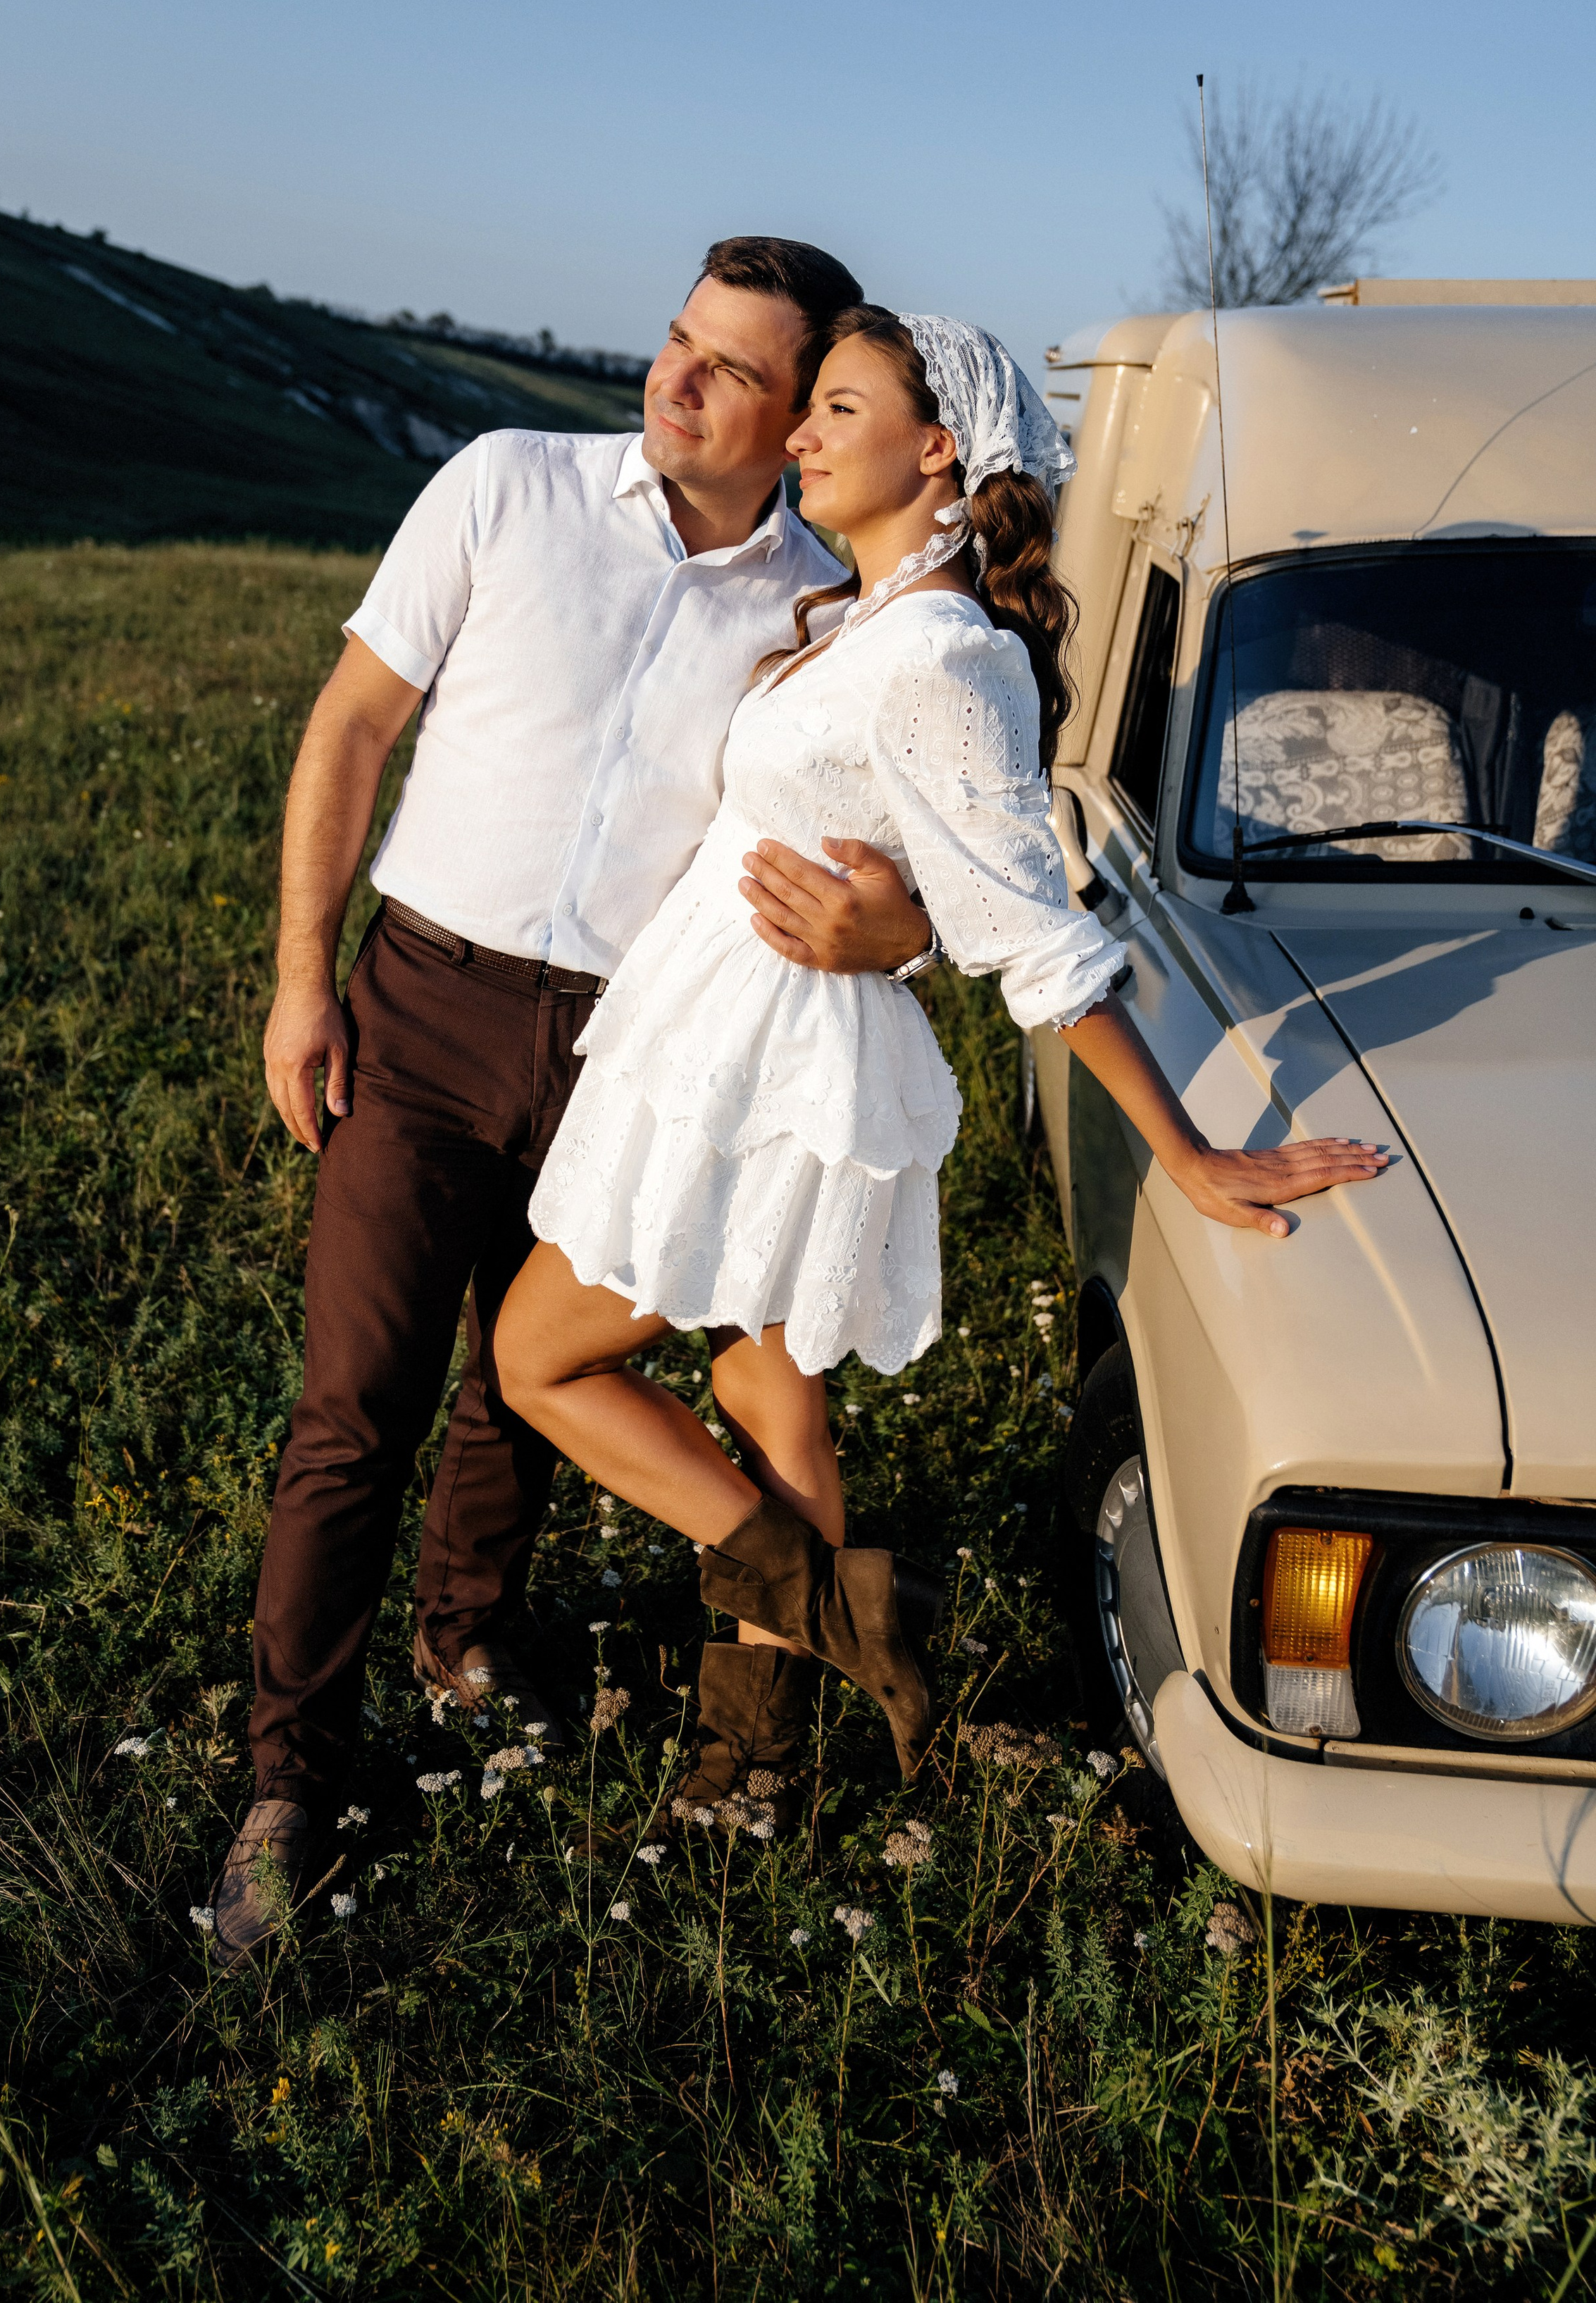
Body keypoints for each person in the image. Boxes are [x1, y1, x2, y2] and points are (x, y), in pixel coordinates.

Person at [493, 307, 1390, 1827]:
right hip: (727, 1035)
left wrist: (1187, 1154)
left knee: (540, 1358)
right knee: (761, 1387)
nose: (799, 435)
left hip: (770, 1065)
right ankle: (752, 1758)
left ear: (938, 453)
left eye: (835, 408)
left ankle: (856, 1614)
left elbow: (1029, 937)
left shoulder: (940, 659)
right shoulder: (859, 622)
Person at [210, 240, 939, 1964]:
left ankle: (468, 1639)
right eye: (676, 343)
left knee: (525, 1375)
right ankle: (283, 1785)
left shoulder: (823, 607)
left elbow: (912, 829)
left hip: (637, 1042)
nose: (675, 379)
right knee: (352, 1409)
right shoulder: (502, 485)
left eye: (731, 371)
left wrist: (897, 923)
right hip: (426, 1002)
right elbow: (351, 727)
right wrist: (304, 975)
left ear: (792, 421)